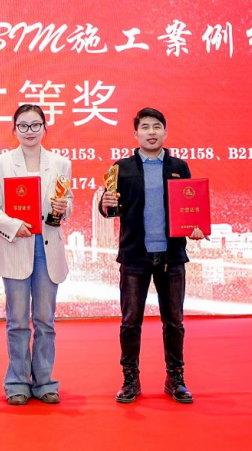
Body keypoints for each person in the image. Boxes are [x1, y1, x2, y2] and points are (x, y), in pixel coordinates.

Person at [99, 107, 203, 405]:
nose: (151, 132)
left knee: (174, 322)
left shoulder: (179, 166)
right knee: (131, 322)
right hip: (134, 256)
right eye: (145, 127)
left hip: (172, 256)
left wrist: (195, 226)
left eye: (157, 126)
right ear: (136, 134)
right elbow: (110, 209)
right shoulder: (121, 168)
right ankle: (130, 379)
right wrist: (105, 203)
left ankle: (175, 378)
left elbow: (189, 206)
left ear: (165, 132)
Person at [0, 104, 73, 405]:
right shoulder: (1, 164)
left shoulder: (60, 163)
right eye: (23, 125)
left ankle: (45, 381)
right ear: (14, 129)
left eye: (35, 125)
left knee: (45, 320)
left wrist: (64, 208)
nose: (29, 131)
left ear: (45, 128)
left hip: (47, 248)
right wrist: (12, 225)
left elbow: (68, 202)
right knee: (17, 320)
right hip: (16, 245)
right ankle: (17, 382)